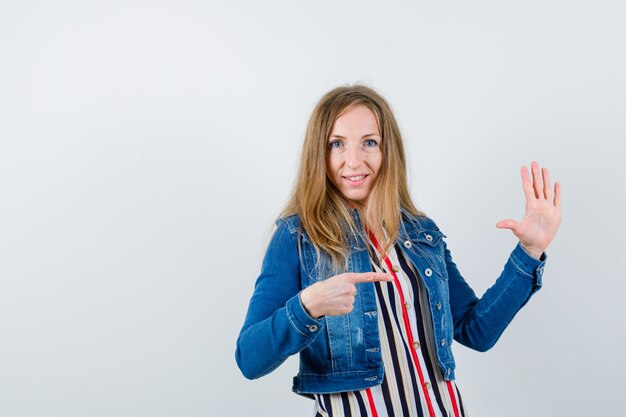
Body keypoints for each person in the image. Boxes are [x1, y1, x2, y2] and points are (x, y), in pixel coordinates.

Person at [235, 85, 562, 416]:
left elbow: (476, 331)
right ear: (319, 154)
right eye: (337, 144)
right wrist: (308, 306)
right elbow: (249, 358)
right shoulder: (297, 237)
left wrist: (529, 251)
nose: (354, 160)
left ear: (387, 150)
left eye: (369, 143)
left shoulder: (421, 234)